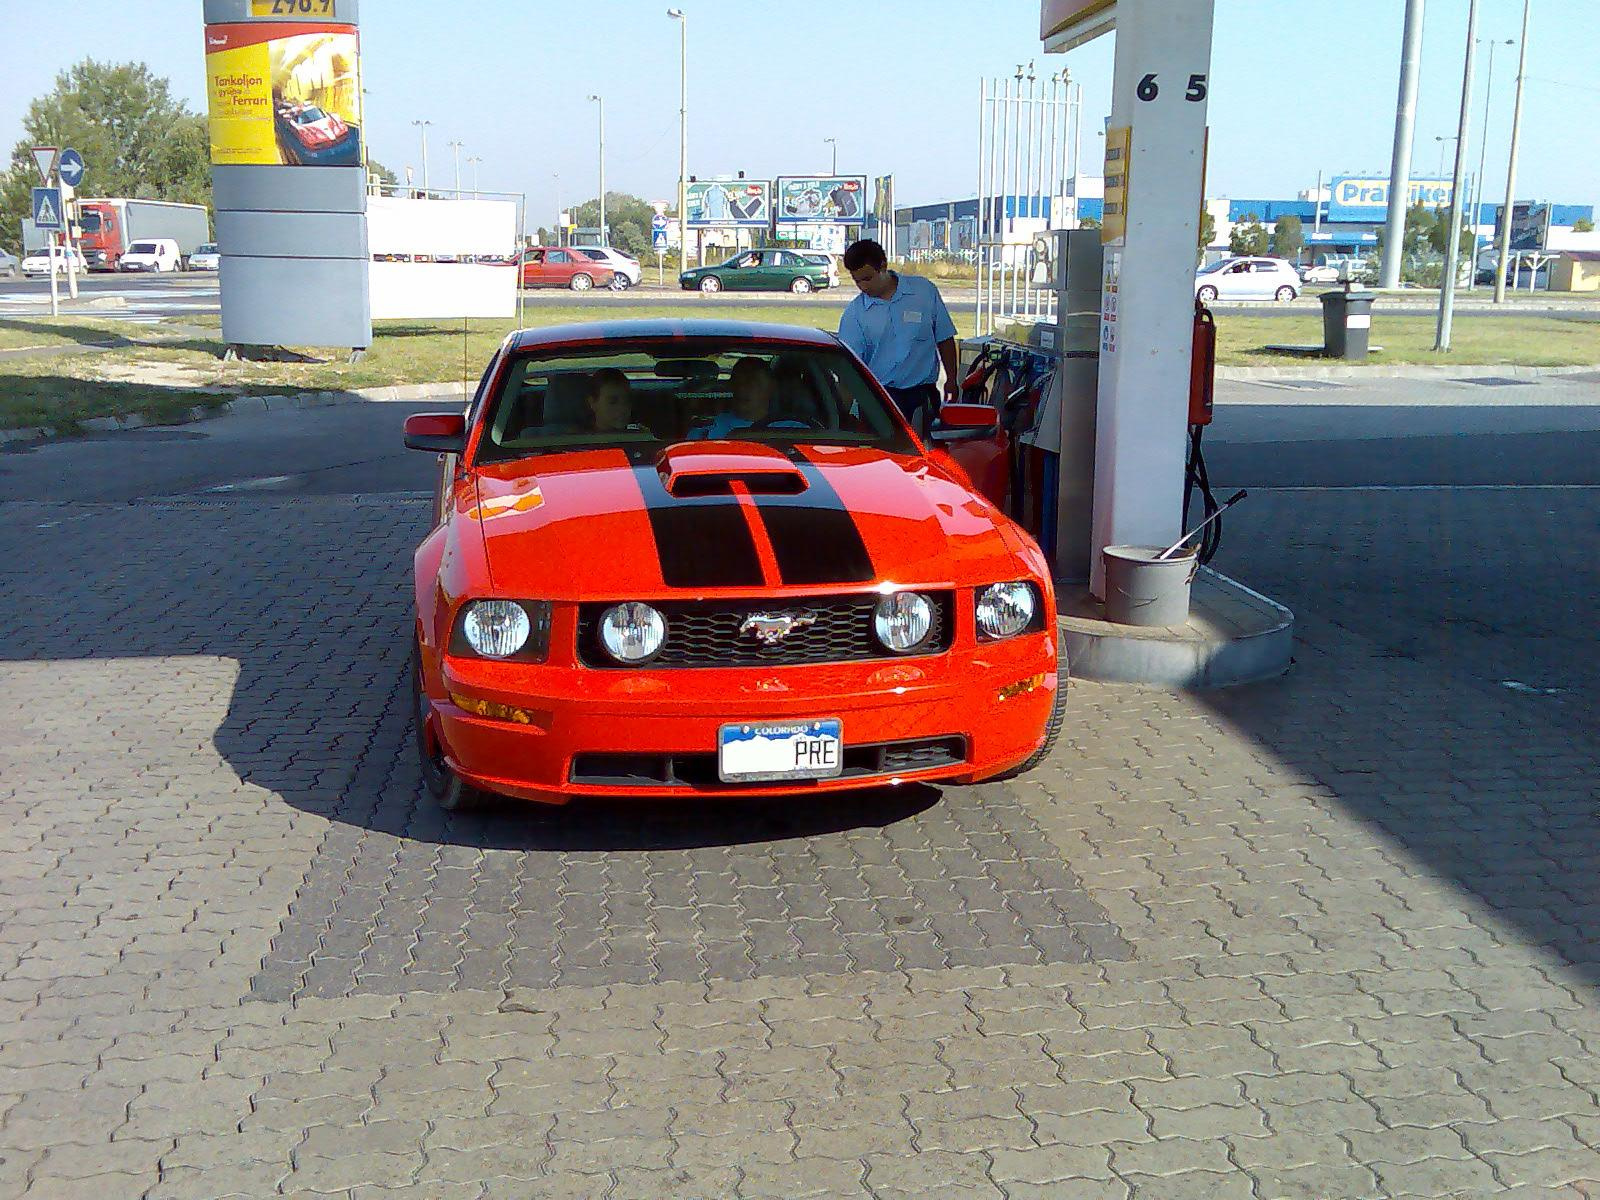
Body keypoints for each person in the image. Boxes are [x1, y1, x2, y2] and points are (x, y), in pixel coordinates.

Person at [837, 238, 959, 431]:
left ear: (883, 267)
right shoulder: (854, 314)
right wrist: (840, 414)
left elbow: (945, 338)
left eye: (867, 278)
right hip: (878, 399)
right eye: (856, 280)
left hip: (923, 395)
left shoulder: (924, 292)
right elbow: (849, 369)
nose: (863, 287)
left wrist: (952, 380)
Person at [691, 358, 804, 440]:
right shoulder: (705, 430)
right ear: (730, 386)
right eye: (737, 381)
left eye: (753, 382)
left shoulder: (795, 430)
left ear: (771, 386)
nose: (743, 388)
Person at [584, 367, 634, 433]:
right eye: (612, 402)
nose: (623, 408)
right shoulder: (577, 440)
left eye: (626, 401)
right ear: (592, 403)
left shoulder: (644, 436)